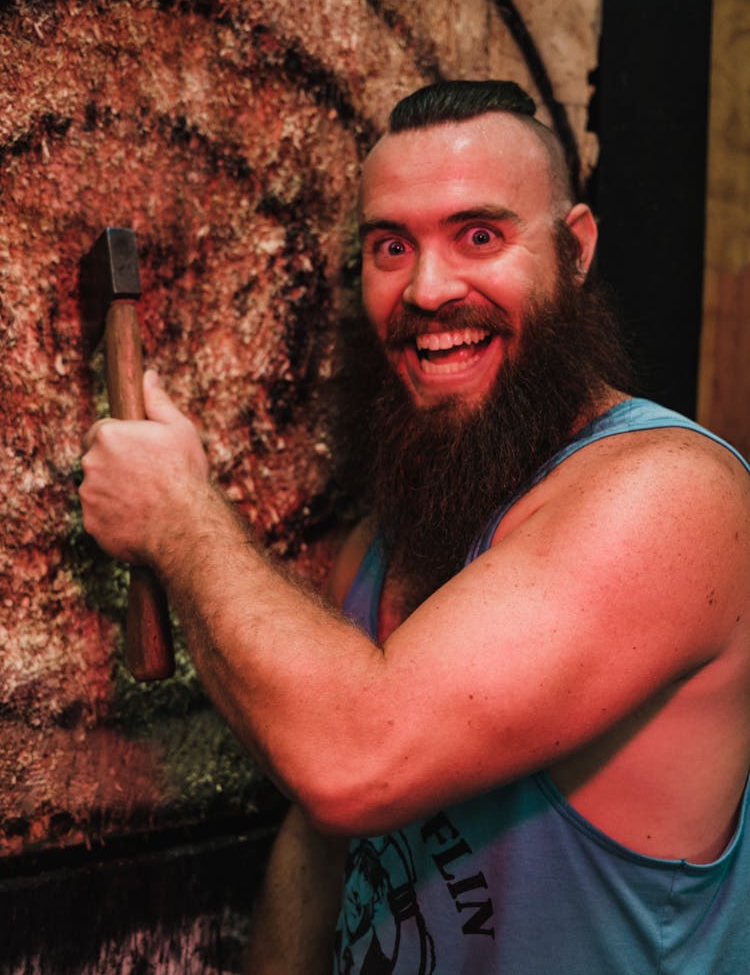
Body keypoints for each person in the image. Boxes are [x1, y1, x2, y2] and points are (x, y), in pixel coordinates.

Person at [80, 81, 750, 973]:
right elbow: (321, 845)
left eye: (479, 235)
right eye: (391, 247)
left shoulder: (672, 497)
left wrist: (176, 516)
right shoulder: (390, 536)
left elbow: (354, 761)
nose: (428, 289)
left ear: (575, 248)